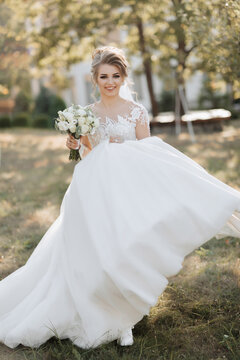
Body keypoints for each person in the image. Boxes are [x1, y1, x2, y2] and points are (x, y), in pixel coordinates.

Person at [0, 46, 240, 351]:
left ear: (123, 77)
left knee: (129, 249)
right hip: (96, 187)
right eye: (104, 76)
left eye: (115, 75)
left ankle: (124, 315)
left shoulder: (136, 111)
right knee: (101, 252)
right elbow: (84, 154)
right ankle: (114, 319)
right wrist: (74, 142)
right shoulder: (87, 113)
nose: (110, 81)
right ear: (95, 79)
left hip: (130, 187)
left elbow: (148, 151)